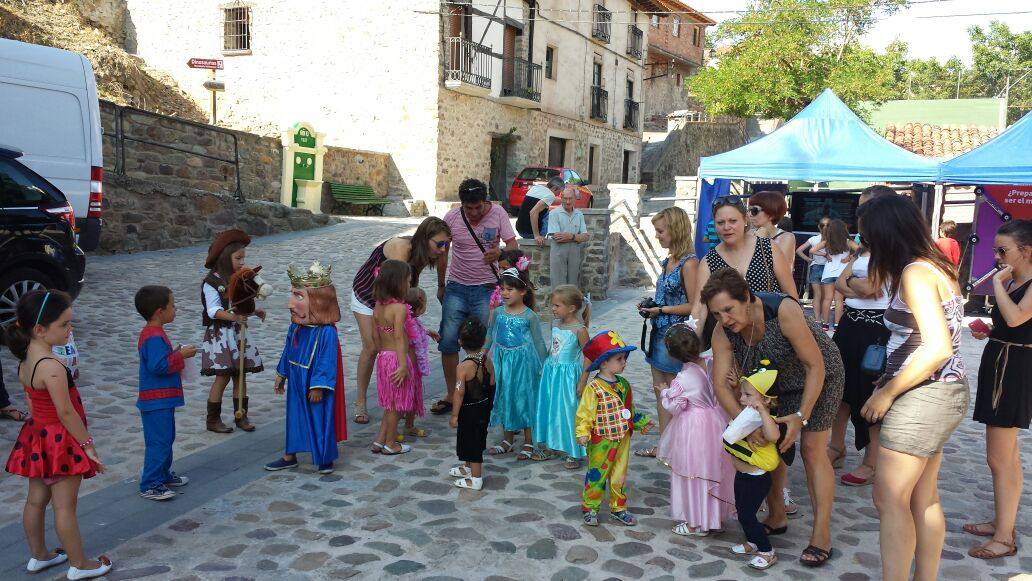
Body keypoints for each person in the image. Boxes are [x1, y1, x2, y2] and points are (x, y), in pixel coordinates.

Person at [856, 195, 968, 581]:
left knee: (889, 498)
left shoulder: (915, 274)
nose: (866, 245)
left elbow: (936, 347)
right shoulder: (938, 267)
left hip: (924, 396)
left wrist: (886, 392)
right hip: (942, 393)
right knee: (923, 496)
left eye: (868, 237)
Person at [703, 268, 843, 567]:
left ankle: (822, 535)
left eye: (728, 310)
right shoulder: (723, 330)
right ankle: (777, 516)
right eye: (716, 314)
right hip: (773, 387)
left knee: (811, 450)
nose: (725, 320)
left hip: (819, 378)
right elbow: (719, 384)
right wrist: (747, 422)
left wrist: (801, 416)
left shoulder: (782, 311)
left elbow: (814, 366)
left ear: (746, 298)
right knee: (771, 450)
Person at [4, 290, 112, 579]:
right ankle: (79, 564)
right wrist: (87, 445)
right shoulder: (51, 366)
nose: (70, 329)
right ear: (39, 329)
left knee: (35, 500)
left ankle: (39, 556)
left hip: (37, 437)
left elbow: (34, 404)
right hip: (59, 440)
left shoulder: (27, 360)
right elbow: (66, 412)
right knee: (65, 506)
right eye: (64, 324)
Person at [965, 219, 1032, 560]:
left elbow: (1019, 318)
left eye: (1002, 251)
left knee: (999, 457)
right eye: (995, 250)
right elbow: (1012, 325)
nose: (996, 257)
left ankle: (1005, 536)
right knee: (1008, 457)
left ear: (1026, 251)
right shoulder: (1017, 280)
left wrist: (998, 284)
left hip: (1014, 369)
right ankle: (1002, 522)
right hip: (1002, 359)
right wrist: (989, 332)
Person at [350, 217, 451, 425]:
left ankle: (397, 401)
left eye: (446, 244)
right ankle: (360, 401)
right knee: (372, 347)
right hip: (366, 295)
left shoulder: (422, 254)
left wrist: (414, 312)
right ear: (425, 238)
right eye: (439, 244)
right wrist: (418, 294)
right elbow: (396, 289)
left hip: (391, 301)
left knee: (401, 347)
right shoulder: (401, 248)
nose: (443, 250)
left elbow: (408, 285)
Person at [434, 179, 518, 416]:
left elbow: (514, 246)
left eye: (477, 208)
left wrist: (500, 252)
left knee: (484, 345)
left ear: (486, 202)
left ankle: (479, 395)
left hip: (486, 288)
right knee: (448, 341)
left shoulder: (499, 214)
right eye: (468, 208)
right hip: (457, 288)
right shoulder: (451, 217)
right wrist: (442, 285)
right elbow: (442, 253)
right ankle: (452, 394)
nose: (472, 213)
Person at [264, 261, 348, 474]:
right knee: (294, 417)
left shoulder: (326, 332)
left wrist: (318, 386)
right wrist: (281, 373)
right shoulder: (296, 328)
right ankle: (289, 455)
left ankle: (324, 457)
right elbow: (288, 350)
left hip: (314, 384)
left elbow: (327, 362)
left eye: (298, 296)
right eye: (292, 295)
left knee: (320, 419)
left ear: (319, 301)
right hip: (296, 379)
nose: (290, 304)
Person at [656, 323, 734, 537]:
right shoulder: (711, 363)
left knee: (692, 472)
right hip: (715, 422)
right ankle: (711, 517)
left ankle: (694, 523)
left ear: (672, 354)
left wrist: (664, 393)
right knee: (711, 469)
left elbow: (674, 407)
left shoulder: (682, 381)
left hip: (694, 428)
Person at [636, 206, 698, 458]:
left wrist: (661, 310)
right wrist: (650, 306)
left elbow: (694, 304)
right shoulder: (668, 261)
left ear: (675, 230)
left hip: (675, 336)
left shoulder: (689, 263)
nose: (657, 236)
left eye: (661, 231)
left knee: (675, 394)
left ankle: (679, 448)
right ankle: (665, 445)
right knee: (660, 390)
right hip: (658, 332)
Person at [829, 233, 890, 486]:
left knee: (869, 391)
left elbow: (869, 288)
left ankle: (871, 461)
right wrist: (856, 283)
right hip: (850, 323)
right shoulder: (861, 252)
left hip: (877, 328)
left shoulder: (890, 252)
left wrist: (851, 281)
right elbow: (837, 284)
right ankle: (836, 447)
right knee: (839, 387)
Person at [575, 330, 654, 526]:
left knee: (619, 474)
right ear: (603, 363)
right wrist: (583, 432)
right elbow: (585, 412)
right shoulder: (594, 388)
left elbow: (628, 409)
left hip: (622, 438)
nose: (624, 363)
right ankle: (590, 506)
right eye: (619, 359)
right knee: (597, 474)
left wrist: (641, 421)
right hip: (602, 439)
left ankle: (618, 507)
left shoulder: (624, 385)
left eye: (624, 358)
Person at [200, 229, 265, 433]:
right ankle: (213, 420)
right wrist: (234, 318)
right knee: (223, 376)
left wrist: (254, 312)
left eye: (243, 257)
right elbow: (213, 311)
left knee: (241, 375)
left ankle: (241, 415)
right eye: (238, 258)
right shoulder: (211, 283)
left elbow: (242, 304)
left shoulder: (237, 279)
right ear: (224, 258)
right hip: (221, 335)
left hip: (238, 333)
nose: (241, 261)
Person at [134, 285, 195, 501]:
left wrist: (176, 353)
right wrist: (181, 356)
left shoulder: (155, 333)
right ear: (160, 311)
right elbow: (158, 366)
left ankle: (162, 474)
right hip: (156, 400)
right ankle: (150, 483)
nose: (175, 309)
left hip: (161, 400)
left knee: (166, 438)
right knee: (159, 441)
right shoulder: (152, 336)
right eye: (173, 305)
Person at [722, 361, 783, 570]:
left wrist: (763, 412)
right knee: (741, 511)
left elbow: (774, 435)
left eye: (747, 395)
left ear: (765, 399)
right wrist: (736, 388)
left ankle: (767, 551)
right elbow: (742, 417)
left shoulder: (765, 418)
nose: (742, 399)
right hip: (743, 474)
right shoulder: (751, 412)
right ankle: (752, 542)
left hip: (757, 478)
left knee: (747, 515)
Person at [486, 265, 546, 460]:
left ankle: (529, 441)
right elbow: (489, 335)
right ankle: (507, 440)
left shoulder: (530, 316)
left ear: (522, 291)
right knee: (505, 397)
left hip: (523, 362)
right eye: (502, 289)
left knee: (525, 398)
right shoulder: (497, 313)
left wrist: (545, 365)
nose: (504, 293)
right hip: (502, 360)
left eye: (509, 289)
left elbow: (538, 341)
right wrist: (482, 354)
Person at [532, 285, 590, 469]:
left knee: (568, 411)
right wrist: (545, 366)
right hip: (552, 374)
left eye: (557, 306)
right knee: (551, 408)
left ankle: (574, 451)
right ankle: (552, 444)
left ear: (571, 308)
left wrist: (582, 381)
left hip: (567, 377)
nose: (553, 309)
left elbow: (589, 356)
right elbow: (554, 349)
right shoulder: (556, 325)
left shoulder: (580, 330)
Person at [371, 260, 421, 455]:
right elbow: (400, 337)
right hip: (396, 359)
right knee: (396, 405)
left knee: (389, 403)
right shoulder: (399, 309)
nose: (409, 285)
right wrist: (403, 365)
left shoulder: (378, 306)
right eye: (407, 281)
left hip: (383, 357)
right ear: (397, 282)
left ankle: (379, 440)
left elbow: (376, 336)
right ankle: (391, 444)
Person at [449, 318, 495, 490]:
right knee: (473, 439)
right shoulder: (486, 360)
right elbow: (492, 382)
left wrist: (454, 415)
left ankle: (475, 478)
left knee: (472, 444)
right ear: (483, 340)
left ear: (460, 342)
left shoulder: (463, 367)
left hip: (469, 411)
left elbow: (459, 391)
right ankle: (468, 468)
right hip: (483, 408)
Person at [397, 288, 437, 442]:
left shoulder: (413, 322)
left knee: (414, 398)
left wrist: (427, 332)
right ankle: (393, 429)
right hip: (408, 368)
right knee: (403, 400)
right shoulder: (406, 322)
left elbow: (417, 336)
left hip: (415, 370)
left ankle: (409, 425)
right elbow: (408, 341)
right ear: (420, 304)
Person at [810, 219, 858, 331]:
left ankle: (825, 325)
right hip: (842, 274)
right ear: (843, 229)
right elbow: (859, 250)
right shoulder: (847, 241)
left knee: (827, 299)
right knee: (839, 300)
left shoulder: (827, 241)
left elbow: (812, 250)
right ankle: (837, 325)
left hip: (828, 273)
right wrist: (849, 258)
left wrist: (825, 254)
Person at [546, 187, 590, 289]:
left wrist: (571, 236)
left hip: (574, 251)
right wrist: (577, 238)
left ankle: (571, 305)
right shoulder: (554, 213)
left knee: (573, 284)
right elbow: (557, 238)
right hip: (558, 251)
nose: (568, 201)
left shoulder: (579, 214)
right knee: (558, 284)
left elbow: (586, 236)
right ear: (561, 198)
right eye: (565, 198)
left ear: (575, 199)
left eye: (570, 198)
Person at [749, 191, 795, 264]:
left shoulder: (786, 237)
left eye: (754, 211)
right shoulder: (748, 234)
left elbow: (782, 266)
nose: (750, 214)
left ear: (771, 215)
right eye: (749, 210)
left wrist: (762, 242)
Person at [796, 218, 829, 315]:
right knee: (825, 296)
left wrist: (808, 259)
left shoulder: (813, 239)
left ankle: (817, 319)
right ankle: (824, 318)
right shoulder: (832, 239)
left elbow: (799, 250)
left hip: (815, 267)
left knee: (817, 295)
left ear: (819, 227)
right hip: (827, 269)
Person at [516, 176, 563, 240]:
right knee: (553, 214)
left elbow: (553, 200)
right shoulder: (550, 195)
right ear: (554, 188)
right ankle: (551, 237)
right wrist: (537, 236)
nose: (558, 194)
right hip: (531, 233)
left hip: (521, 230)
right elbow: (533, 212)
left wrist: (566, 200)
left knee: (547, 210)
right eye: (559, 192)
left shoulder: (536, 188)